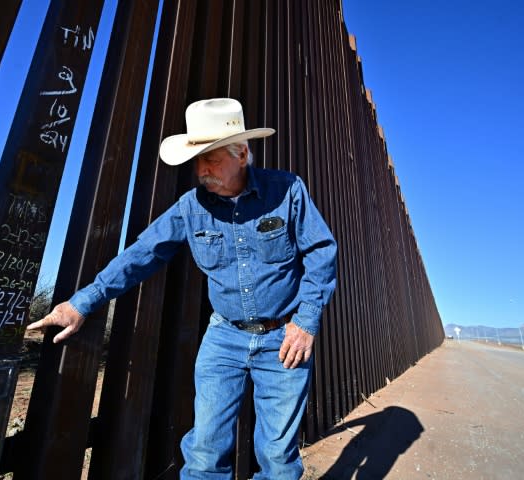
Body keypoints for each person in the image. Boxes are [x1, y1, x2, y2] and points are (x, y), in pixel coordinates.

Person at [27, 98, 337, 479]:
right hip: (224, 338)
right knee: (205, 452)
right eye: (198, 159)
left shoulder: (287, 190)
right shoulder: (189, 208)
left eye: (212, 158)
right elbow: (141, 254)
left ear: (242, 152)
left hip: (284, 340)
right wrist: (80, 303)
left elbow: (321, 252)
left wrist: (305, 322)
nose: (202, 169)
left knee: (277, 459)